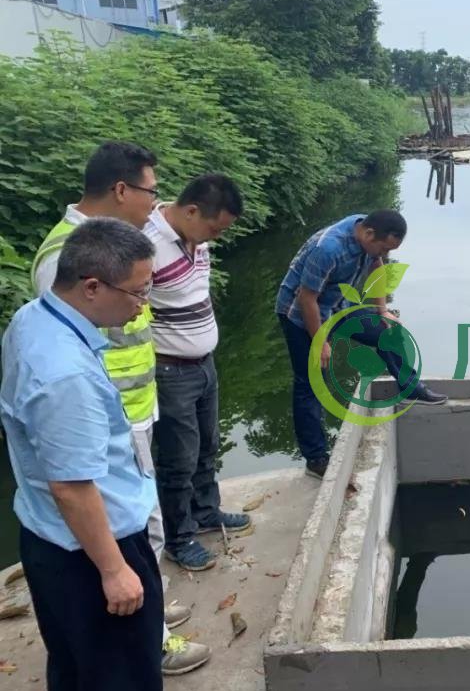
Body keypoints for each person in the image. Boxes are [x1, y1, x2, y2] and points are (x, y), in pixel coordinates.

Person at [30, 141, 210, 676]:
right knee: (131, 530)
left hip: (133, 410)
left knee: (143, 524)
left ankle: (150, 613)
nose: (156, 206)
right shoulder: (65, 259)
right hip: (105, 424)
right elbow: (67, 361)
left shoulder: (109, 247)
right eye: (152, 193)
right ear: (121, 189)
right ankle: (147, 643)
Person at [3, 220, 164, 691]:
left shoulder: (34, 318)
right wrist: (115, 571)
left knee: (78, 680)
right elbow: (72, 487)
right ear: (92, 285)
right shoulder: (64, 372)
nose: (143, 307)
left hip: (53, 543)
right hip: (95, 551)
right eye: (138, 292)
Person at [276, 210, 447, 478]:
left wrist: (382, 311)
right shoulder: (328, 249)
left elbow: (377, 266)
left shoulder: (369, 230)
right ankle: (316, 459)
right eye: (382, 247)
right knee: (310, 383)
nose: (383, 253)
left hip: (337, 305)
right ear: (368, 235)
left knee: (386, 334)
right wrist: (320, 341)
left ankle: (411, 387)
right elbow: (306, 299)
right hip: (300, 313)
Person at [147, 174, 250, 572]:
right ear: (191, 210)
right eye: (214, 227)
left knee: (208, 445)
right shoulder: (145, 245)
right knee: (178, 458)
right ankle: (179, 538)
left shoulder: (197, 240)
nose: (216, 237)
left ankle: (206, 512)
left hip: (204, 365)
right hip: (170, 371)